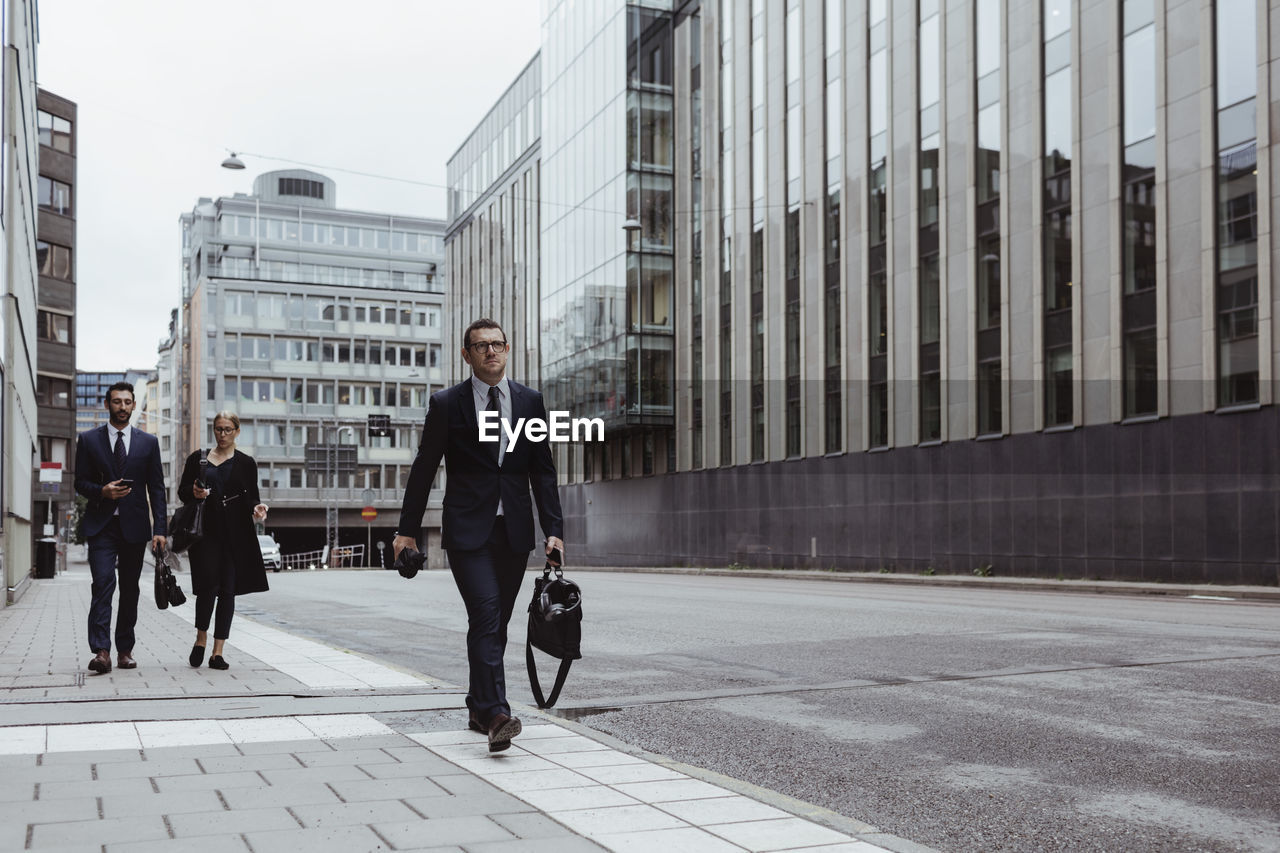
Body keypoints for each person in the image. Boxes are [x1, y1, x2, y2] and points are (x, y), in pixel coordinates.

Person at [394, 318, 565, 753]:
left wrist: (554, 532)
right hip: (469, 530)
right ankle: (496, 714)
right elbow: (424, 468)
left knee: (495, 622)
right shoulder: (448, 404)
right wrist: (407, 532)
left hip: (514, 532)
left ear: (507, 350)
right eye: (480, 346)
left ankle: (477, 704)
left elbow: (542, 472)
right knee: (487, 613)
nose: (490, 352)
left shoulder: (530, 402)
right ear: (466, 355)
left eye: (497, 345)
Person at [73, 382, 168, 673]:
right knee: (103, 584)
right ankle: (102, 651)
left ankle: (125, 649)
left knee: (129, 590)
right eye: (117, 401)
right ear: (107, 404)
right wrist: (102, 491)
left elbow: (157, 488)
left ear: (134, 404)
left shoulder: (148, 443)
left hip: (134, 527)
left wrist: (160, 529)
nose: (123, 407)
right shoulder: (88, 440)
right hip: (101, 526)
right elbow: (80, 482)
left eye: (127, 402)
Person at [176, 411, 269, 671]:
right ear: (213, 430)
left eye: (228, 429)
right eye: (218, 429)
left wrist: (257, 508)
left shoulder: (246, 463)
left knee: (228, 591)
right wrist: (194, 492)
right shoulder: (199, 459)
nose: (223, 434)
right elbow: (183, 491)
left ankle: (218, 651)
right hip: (204, 533)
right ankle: (200, 638)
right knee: (207, 587)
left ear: (237, 431)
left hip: (236, 535)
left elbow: (252, 496)